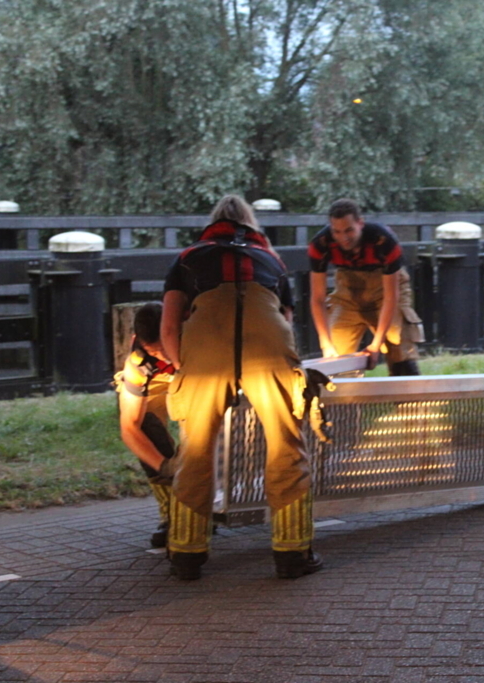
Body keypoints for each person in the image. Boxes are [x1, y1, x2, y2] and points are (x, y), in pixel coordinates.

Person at [161, 194, 321, 580]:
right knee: (286, 444)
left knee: (196, 447)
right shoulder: (272, 260)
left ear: (212, 223)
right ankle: (292, 553)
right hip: (268, 345)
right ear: (252, 225)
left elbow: (169, 325)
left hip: (205, 348)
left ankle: (186, 554)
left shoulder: (188, 257)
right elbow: (285, 318)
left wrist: (186, 368)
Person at [308, 198, 423, 375]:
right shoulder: (320, 244)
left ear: (360, 223)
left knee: (398, 342)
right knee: (337, 352)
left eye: (349, 230)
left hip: (385, 289)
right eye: (337, 232)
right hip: (347, 293)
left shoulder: (384, 241)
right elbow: (317, 298)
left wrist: (376, 344)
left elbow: (391, 297)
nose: (343, 238)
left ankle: (411, 400)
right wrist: (326, 343)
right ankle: (347, 400)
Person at [114, 302, 177, 548]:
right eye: (156, 353)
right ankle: (173, 511)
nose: (163, 357)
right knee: (147, 428)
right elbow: (130, 427)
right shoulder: (139, 363)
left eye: (166, 349)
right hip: (159, 383)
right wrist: (165, 466)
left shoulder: (199, 338)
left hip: (199, 374)